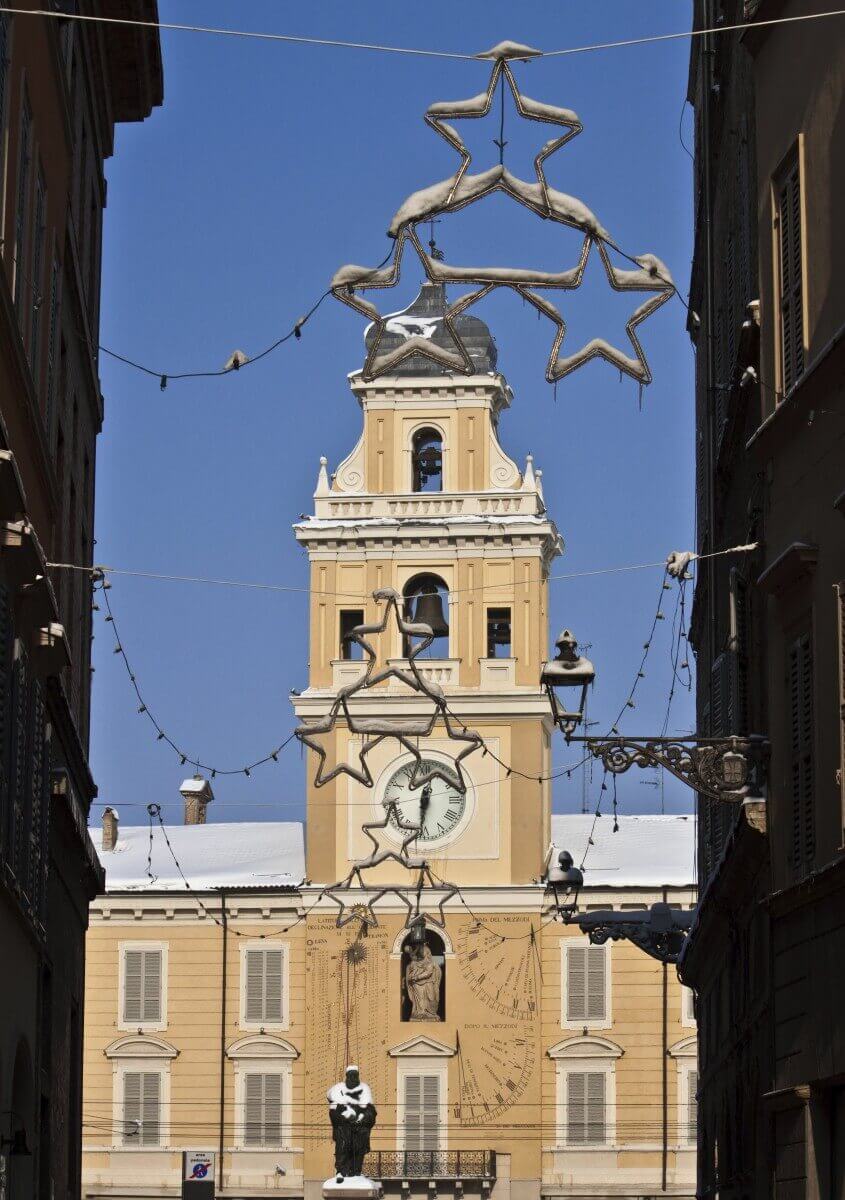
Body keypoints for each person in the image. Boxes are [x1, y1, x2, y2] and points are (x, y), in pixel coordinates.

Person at [327, 1065, 377, 1181]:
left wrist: (361, 1120)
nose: (353, 1078)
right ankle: (341, 1172)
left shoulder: (364, 1090)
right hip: (344, 1129)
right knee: (343, 1147)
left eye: (356, 1075)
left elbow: (371, 1112)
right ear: (347, 1076)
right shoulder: (338, 1090)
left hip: (359, 1129)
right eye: (351, 1075)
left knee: (359, 1148)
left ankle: (356, 1172)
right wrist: (345, 1119)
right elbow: (333, 1113)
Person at [405, 943, 442, 1021]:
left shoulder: (431, 963)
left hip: (428, 982)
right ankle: (420, 1013)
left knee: (432, 998)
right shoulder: (414, 963)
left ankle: (431, 1013)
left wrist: (416, 977)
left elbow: (428, 973)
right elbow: (410, 974)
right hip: (417, 984)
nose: (424, 953)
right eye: (422, 952)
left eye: (426, 951)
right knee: (420, 1000)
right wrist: (413, 977)